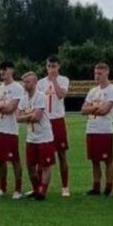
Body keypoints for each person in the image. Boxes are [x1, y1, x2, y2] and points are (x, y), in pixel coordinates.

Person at [0, 61, 24, 199]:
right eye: (1, 69)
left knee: (14, 160)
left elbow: (10, 109)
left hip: (11, 130)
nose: (2, 72)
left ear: (12, 71)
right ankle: (2, 188)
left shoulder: (17, 88)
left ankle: (18, 189)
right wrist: (0, 106)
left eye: (5, 69)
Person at [81, 62, 113, 197]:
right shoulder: (93, 91)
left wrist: (92, 109)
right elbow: (83, 110)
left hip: (104, 130)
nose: (97, 76)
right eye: (95, 73)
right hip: (91, 129)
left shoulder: (112, 90)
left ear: (107, 73)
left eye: (100, 73)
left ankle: (108, 187)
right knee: (94, 160)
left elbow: (105, 110)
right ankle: (96, 186)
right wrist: (95, 108)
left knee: (107, 160)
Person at [16, 72, 55, 201]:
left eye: (28, 82)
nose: (25, 84)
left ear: (35, 83)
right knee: (31, 166)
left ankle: (42, 192)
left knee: (45, 166)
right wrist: (29, 115)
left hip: (44, 136)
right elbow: (17, 118)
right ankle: (36, 189)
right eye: (24, 82)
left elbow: (37, 117)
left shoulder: (40, 96)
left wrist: (27, 116)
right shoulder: (23, 98)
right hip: (31, 137)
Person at [37, 56, 71, 197]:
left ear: (58, 67)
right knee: (41, 155)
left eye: (54, 66)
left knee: (61, 154)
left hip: (57, 120)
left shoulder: (63, 80)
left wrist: (54, 80)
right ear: (46, 66)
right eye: (49, 66)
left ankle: (65, 186)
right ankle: (40, 186)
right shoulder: (40, 83)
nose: (51, 69)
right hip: (44, 121)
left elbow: (61, 95)